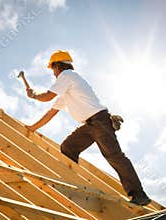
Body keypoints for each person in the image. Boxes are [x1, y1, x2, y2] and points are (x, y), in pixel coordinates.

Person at [25, 50, 151, 206]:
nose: (53, 74)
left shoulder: (67, 76)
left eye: (52, 69)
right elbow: (51, 113)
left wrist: (34, 95)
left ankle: (139, 195)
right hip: (90, 125)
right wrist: (32, 128)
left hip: (100, 121)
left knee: (114, 156)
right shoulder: (66, 90)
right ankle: (74, 182)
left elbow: (47, 97)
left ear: (58, 66)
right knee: (68, 147)